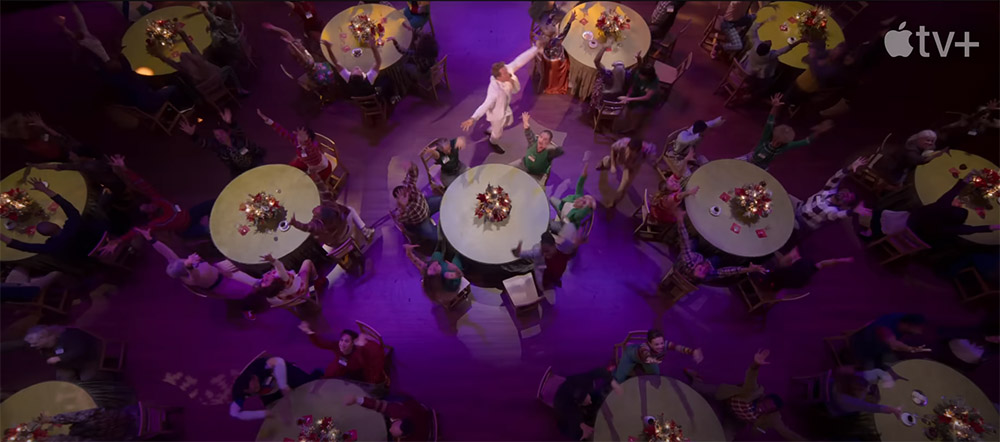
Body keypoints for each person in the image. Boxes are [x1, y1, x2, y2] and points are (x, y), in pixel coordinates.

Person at [685, 349, 805, 440]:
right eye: (764, 404)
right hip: (726, 397)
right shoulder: (753, 391)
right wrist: (755, 365)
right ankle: (697, 378)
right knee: (696, 387)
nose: (763, 408)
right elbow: (751, 378)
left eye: (767, 409)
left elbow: (787, 433)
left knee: (724, 438)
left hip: (735, 419)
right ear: (763, 399)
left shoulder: (773, 418)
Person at [461, 38, 546, 153]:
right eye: (505, 73)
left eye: (506, 70)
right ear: (498, 78)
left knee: (507, 122)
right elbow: (485, 105)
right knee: (498, 133)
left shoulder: (506, 72)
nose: (509, 73)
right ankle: (493, 141)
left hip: (505, 108)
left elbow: (519, 61)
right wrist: (473, 118)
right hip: (497, 115)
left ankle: (490, 130)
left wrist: (535, 49)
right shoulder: (495, 91)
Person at [854, 178, 1000, 245]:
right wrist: (995, 227)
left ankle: (871, 233)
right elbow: (972, 229)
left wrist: (967, 179)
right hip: (917, 239)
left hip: (904, 225)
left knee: (886, 215)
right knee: (889, 216)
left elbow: (951, 193)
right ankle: (873, 226)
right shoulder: (952, 228)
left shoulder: (939, 206)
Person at [0, 178, 105, 263]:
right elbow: (66, 205)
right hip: (103, 238)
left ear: (46, 236)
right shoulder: (74, 222)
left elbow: (24, 247)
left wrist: (1, 236)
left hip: (87, 259)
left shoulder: (52, 247)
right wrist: (44, 189)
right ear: (56, 225)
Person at [137, 227, 255, 299]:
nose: (184, 259)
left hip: (219, 269)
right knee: (250, 288)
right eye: (186, 262)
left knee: (240, 259)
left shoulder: (178, 264)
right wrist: (189, 265)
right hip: (222, 284)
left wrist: (151, 240)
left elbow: (166, 252)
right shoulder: (191, 279)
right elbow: (194, 274)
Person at [740, 93, 834, 170]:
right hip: (750, 159)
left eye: (779, 143)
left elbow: (806, 141)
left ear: (785, 143)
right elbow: (770, 121)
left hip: (761, 168)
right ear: (773, 135)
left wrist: (819, 131)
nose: (775, 143)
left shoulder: (786, 146)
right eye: (775, 140)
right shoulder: (766, 136)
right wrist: (775, 107)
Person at [146, 29, 249, 95]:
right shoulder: (198, 58)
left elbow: (169, 62)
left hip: (205, 88)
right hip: (218, 78)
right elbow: (190, 45)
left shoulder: (183, 68)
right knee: (228, 68)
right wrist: (182, 33)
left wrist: (159, 55)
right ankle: (239, 89)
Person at [674, 211, 766, 283]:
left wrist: (680, 220)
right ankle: (712, 252)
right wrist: (749, 269)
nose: (704, 268)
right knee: (718, 259)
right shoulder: (709, 275)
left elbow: (684, 242)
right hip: (702, 262)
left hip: (694, 256)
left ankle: (701, 244)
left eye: (700, 269)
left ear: (694, 267)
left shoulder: (688, 261)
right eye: (704, 272)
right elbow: (728, 271)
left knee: (694, 240)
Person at [291, 170, 374, 247]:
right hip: (346, 229)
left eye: (316, 211)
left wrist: (295, 224)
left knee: (318, 236)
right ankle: (365, 231)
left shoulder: (319, 225)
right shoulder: (331, 206)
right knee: (350, 210)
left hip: (336, 241)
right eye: (318, 208)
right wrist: (316, 178)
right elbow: (324, 190)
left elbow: (307, 227)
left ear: (320, 218)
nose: (315, 208)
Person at [179, 108, 266, 177]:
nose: (220, 136)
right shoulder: (218, 147)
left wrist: (230, 123)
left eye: (221, 133)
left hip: (254, 161)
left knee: (263, 173)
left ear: (227, 133)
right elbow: (203, 143)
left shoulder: (238, 138)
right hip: (239, 170)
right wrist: (193, 135)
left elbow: (239, 131)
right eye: (217, 135)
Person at [241, 254, 326, 320]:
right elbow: (279, 266)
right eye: (266, 280)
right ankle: (316, 279)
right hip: (301, 290)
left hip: (288, 300)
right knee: (307, 262)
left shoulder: (269, 296)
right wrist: (272, 260)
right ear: (276, 282)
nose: (265, 277)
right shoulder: (284, 279)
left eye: (263, 280)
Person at [230, 355, 315, 420]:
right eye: (252, 391)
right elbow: (234, 413)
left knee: (309, 386)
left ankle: (317, 375)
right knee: (277, 412)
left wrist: (283, 386)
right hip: (268, 390)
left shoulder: (259, 366)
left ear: (254, 378)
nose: (255, 390)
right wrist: (263, 413)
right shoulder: (239, 392)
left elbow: (279, 361)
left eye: (255, 387)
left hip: (282, 374)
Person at [298, 322, 387, 384]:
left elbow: (372, 357)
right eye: (341, 340)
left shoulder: (358, 354)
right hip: (333, 375)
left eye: (347, 341)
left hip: (349, 378)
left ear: (353, 343)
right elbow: (322, 343)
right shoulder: (337, 346)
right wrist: (309, 332)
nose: (342, 344)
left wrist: (362, 344)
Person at [795, 157, 867, 231]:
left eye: (849, 197)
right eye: (847, 192)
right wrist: (850, 167)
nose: (846, 194)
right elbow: (836, 178)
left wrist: (852, 211)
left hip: (801, 223)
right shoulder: (829, 191)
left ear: (845, 205)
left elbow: (837, 215)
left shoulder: (833, 210)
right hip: (799, 206)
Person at [741, 19, 806, 102]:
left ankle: (752, 90)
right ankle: (756, 95)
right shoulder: (770, 56)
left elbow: (753, 30)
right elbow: (786, 49)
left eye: (765, 42)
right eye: (768, 43)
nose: (768, 41)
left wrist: (765, 21)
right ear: (768, 51)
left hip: (747, 67)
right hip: (758, 76)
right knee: (770, 82)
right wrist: (800, 41)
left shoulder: (756, 44)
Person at [256, 109, 332, 179]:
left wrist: (306, 142)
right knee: (290, 168)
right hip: (306, 163)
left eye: (301, 136)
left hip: (321, 169)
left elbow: (312, 151)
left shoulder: (313, 150)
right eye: (298, 134)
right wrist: (268, 120)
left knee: (306, 182)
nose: (297, 136)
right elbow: (283, 132)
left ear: (308, 139)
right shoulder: (297, 141)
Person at [554, 366, 623, 441]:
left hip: (577, 392)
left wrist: (612, 382)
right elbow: (572, 417)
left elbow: (600, 371)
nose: (590, 402)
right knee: (580, 433)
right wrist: (582, 425)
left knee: (599, 400)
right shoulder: (564, 406)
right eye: (588, 402)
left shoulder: (582, 379)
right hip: (567, 419)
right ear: (580, 404)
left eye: (589, 399)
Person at [263, 22, 337, 92]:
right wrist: (291, 44)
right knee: (332, 77)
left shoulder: (298, 47)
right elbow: (302, 56)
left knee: (332, 68)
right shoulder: (304, 59)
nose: (299, 43)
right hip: (318, 72)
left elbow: (286, 33)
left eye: (297, 42)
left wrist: (273, 27)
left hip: (318, 66)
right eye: (296, 44)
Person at [323, 36, 396, 104]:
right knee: (386, 79)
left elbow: (336, 63)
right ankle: (392, 97)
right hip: (374, 100)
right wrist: (373, 47)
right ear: (363, 76)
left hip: (358, 102)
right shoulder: (369, 78)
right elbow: (378, 62)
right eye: (358, 70)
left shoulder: (348, 78)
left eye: (354, 70)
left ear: (350, 76)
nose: (356, 67)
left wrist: (329, 48)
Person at [613, 329, 703, 383]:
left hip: (648, 361)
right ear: (649, 343)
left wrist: (692, 351)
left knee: (655, 377)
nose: (660, 346)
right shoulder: (644, 349)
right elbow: (648, 358)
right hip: (631, 356)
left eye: (661, 343)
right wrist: (656, 362)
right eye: (656, 344)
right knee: (619, 378)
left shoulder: (664, 344)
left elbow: (677, 347)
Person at [752, 245, 854, 291]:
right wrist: (842, 260)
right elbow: (823, 264)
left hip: (765, 284)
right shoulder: (808, 270)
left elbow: (773, 273)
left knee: (772, 260)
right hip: (777, 286)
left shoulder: (782, 271)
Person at [849, 313, 930, 370]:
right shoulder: (886, 325)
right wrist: (911, 349)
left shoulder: (902, 320)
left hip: (878, 347)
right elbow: (892, 344)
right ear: (907, 325)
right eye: (917, 328)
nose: (920, 332)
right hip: (863, 347)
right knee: (887, 364)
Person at [23, 325, 102, 381]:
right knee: (63, 381)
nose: (32, 346)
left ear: (44, 338)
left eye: (35, 343)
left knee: (88, 381)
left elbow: (79, 350)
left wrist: (59, 358)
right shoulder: (42, 348)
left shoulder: (69, 336)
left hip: (87, 360)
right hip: (66, 364)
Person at [596, 137, 657, 209]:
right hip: (621, 157)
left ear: (637, 152)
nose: (629, 154)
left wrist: (652, 161)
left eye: (631, 154)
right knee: (608, 162)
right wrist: (613, 165)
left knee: (625, 185)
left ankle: (614, 202)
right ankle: (603, 162)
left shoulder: (645, 152)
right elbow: (613, 149)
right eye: (628, 151)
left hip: (633, 165)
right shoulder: (622, 143)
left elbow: (653, 157)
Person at [512, 231, 584, 290]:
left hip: (558, 275)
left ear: (554, 245)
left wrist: (578, 243)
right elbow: (523, 254)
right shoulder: (538, 252)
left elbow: (572, 250)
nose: (545, 254)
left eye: (547, 251)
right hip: (545, 280)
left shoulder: (563, 251)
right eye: (543, 251)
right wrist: (518, 253)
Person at [345, 393, 432, 441]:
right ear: (398, 420)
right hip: (413, 409)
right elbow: (378, 405)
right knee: (389, 401)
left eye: (391, 430)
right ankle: (346, 436)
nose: (390, 430)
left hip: (426, 430)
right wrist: (356, 399)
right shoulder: (399, 411)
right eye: (392, 427)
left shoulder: (415, 439)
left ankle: (347, 437)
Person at [393, 162, 442, 242]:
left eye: (405, 191)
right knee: (437, 237)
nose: (406, 194)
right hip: (421, 222)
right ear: (398, 199)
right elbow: (398, 219)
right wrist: (403, 206)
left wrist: (410, 166)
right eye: (402, 195)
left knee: (444, 200)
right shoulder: (401, 210)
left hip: (427, 206)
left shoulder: (410, 188)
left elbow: (413, 174)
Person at [0, 112, 78, 161]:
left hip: (66, 149)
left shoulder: (44, 127)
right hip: (59, 155)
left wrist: (44, 127)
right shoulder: (28, 142)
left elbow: (64, 140)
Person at [880, 129, 948, 186]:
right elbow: (919, 160)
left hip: (893, 165)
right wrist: (936, 155)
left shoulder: (914, 141)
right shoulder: (911, 150)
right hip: (891, 169)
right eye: (927, 140)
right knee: (901, 185)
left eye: (932, 141)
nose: (930, 143)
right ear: (920, 139)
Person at [511, 112, 564, 182]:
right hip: (523, 164)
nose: (541, 140)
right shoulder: (533, 141)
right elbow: (528, 132)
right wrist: (526, 123)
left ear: (549, 142)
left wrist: (548, 147)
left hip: (536, 175)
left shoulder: (549, 152)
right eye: (541, 137)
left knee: (528, 186)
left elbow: (560, 151)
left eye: (545, 139)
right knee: (507, 168)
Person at [39, 405, 140, 441]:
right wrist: (52, 419)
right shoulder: (89, 417)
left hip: (128, 433)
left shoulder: (79, 432)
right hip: (129, 415)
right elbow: (75, 416)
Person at [549, 158, 596, 229]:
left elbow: (581, 214)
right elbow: (579, 186)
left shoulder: (576, 215)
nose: (581, 199)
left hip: (564, 225)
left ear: (583, 209)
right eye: (583, 197)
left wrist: (588, 206)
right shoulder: (578, 197)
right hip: (561, 209)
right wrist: (583, 176)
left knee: (548, 225)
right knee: (551, 199)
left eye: (584, 203)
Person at [615, 64, 660, 135]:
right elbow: (633, 86)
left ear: (648, 76)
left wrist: (629, 99)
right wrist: (628, 95)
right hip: (637, 93)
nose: (639, 76)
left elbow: (646, 97)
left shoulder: (654, 83)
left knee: (636, 112)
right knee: (626, 110)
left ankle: (632, 128)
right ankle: (624, 125)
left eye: (642, 75)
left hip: (647, 102)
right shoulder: (638, 74)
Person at [197, 0, 241, 66]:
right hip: (226, 44)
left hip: (227, 51)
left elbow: (214, 20)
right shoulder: (225, 20)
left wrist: (205, 11)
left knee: (203, 55)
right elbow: (215, 21)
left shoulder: (225, 23)